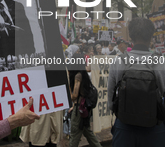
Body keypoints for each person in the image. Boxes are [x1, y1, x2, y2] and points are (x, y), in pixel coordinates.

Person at [108, 18, 165, 146]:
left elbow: (111, 99)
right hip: (154, 128)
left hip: (124, 126)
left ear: (131, 37)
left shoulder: (119, 61)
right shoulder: (160, 62)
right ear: (151, 36)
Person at [68, 54, 101, 147]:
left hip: (79, 110)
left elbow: (74, 95)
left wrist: (67, 94)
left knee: (74, 135)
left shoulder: (77, 76)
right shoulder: (83, 74)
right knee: (88, 133)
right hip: (84, 108)